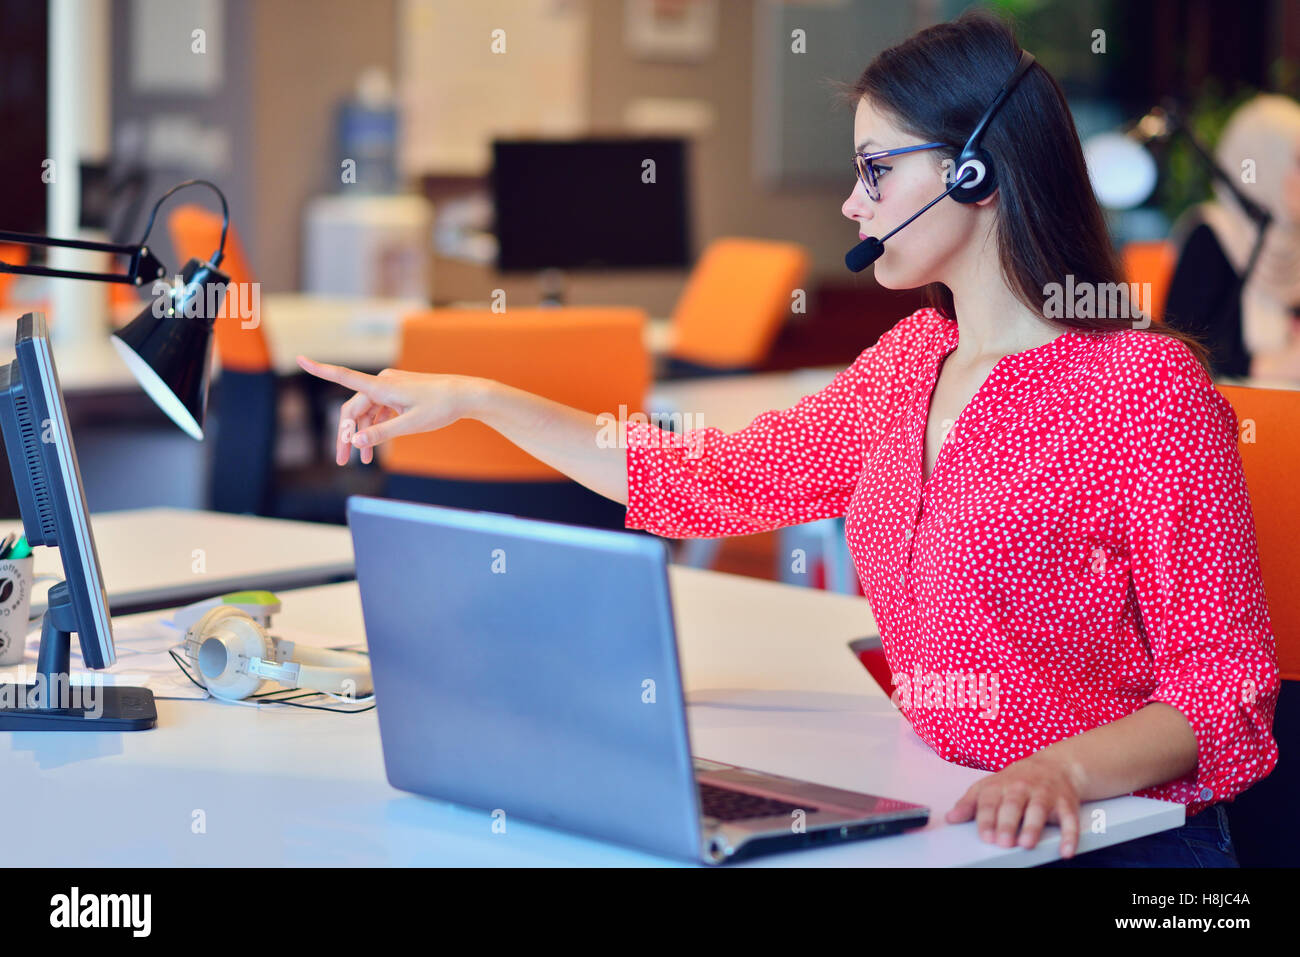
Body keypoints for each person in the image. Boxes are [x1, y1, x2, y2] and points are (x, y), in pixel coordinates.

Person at [297, 9, 1279, 866]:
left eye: (875, 171)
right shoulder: (905, 366)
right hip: (950, 814)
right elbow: (704, 480)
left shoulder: (1144, 392)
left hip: (1111, 836)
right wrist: (477, 396)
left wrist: (1056, 772)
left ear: (975, 174)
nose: (852, 204)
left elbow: (1225, 692)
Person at [1164, 93, 1300, 380]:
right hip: (1233, 413)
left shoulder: (1291, 240)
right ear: (1265, 162)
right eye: (1298, 161)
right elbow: (1184, 354)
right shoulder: (1213, 235)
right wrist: (1272, 366)